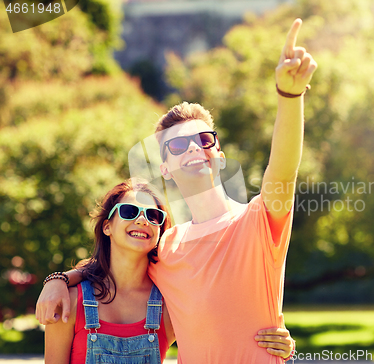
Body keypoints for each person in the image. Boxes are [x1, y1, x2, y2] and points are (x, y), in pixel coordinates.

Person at [38, 18, 316, 363]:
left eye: (204, 139)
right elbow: (111, 267)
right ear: (165, 169)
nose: (194, 148)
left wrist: (290, 95)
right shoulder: (164, 247)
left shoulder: (259, 220)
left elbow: (284, 169)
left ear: (218, 156)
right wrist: (58, 279)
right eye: (178, 145)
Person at [44, 179, 295, 363]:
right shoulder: (69, 302)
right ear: (107, 226)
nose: (143, 220)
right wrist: (57, 280)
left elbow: (223, 324)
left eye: (153, 215)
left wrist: (281, 344)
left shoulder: (169, 303)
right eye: (130, 212)